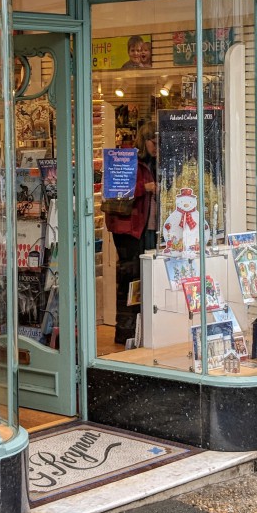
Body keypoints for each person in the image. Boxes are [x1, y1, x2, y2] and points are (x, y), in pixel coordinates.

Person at [105, 145, 154, 345]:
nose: (156, 144)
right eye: (152, 140)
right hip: (128, 229)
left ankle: (137, 331)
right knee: (129, 278)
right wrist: (146, 187)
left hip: (143, 228)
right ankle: (126, 332)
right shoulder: (128, 160)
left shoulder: (151, 162)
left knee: (137, 278)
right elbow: (116, 190)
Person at [135, 120, 159, 251]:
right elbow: (121, 191)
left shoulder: (157, 162)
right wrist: (144, 187)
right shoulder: (133, 162)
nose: (156, 147)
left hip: (153, 223)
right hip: (138, 225)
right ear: (144, 141)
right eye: (154, 143)